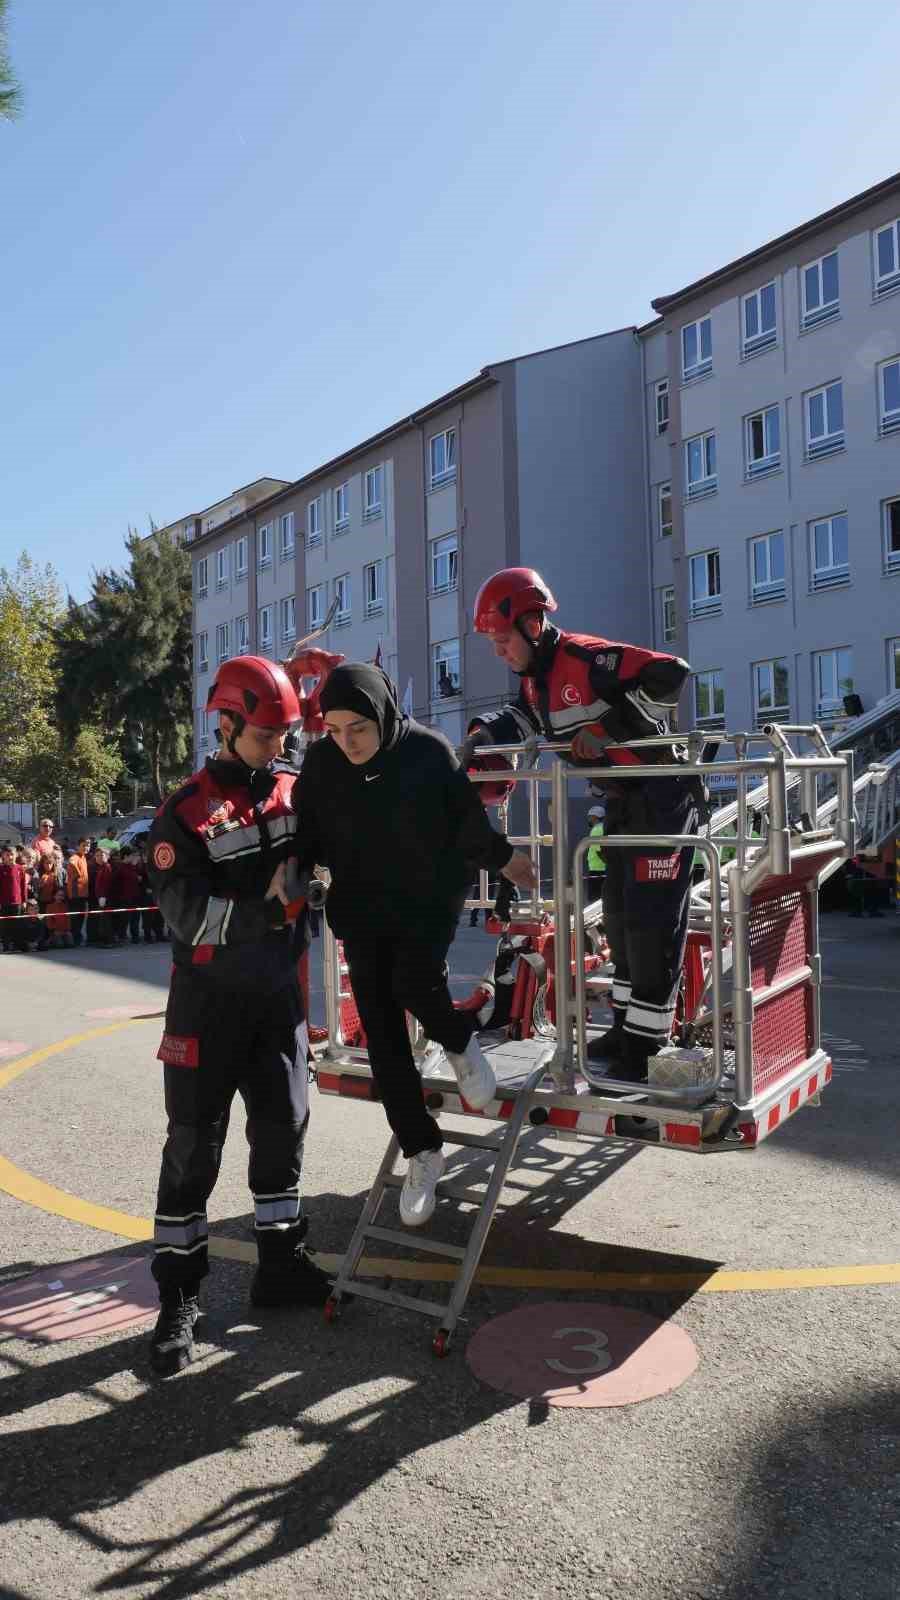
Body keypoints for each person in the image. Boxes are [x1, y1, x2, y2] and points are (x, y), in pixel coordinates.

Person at [291, 663, 536, 1228]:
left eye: (358, 728)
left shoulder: (426, 752)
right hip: (364, 901)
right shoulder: (325, 762)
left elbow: (466, 821)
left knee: (413, 980)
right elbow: (305, 830)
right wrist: (294, 871)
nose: (347, 742)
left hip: (428, 892)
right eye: (335, 729)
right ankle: (422, 1151)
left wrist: (506, 860)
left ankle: (460, 1043)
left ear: (382, 715)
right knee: (381, 1033)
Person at [145, 654, 331, 1378]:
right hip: (207, 1006)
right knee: (194, 1146)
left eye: (283, 734)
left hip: (276, 1001)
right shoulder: (183, 812)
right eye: (262, 735)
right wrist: (275, 907)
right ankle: (179, 1300)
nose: (276, 747)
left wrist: (317, 880)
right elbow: (189, 916)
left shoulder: (293, 789)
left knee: (284, 1129)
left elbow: (318, 858)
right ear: (224, 723)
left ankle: (279, 1266)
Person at [463, 566, 698, 1086]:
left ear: (531, 624)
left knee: (651, 924)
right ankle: (624, 1028)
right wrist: (482, 736)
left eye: (502, 641)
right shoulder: (535, 684)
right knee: (617, 918)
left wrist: (606, 728)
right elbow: (525, 721)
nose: (499, 652)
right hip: (621, 803)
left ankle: (648, 1042)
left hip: (660, 798)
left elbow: (672, 673)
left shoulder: (587, 659)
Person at [0, 844, 28, 952]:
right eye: (8, 855)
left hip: (17, 902)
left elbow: (23, 886)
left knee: (17, 925)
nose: (10, 857)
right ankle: (6, 946)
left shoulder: (20, 868)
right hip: (4, 902)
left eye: (12, 854)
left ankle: (16, 945)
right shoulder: (1, 869)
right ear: (3, 856)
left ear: (16, 855)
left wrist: (24, 901)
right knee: (5, 925)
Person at [65, 839, 90, 947]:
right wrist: (78, 873)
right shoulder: (75, 857)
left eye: (88, 846)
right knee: (76, 919)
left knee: (80, 918)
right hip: (76, 894)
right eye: (84, 845)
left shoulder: (84, 857)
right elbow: (71, 861)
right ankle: (75, 939)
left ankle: (77, 937)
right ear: (78, 846)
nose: (86, 848)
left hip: (83, 894)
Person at [586, 803, 606, 905]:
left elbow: (599, 850)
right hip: (601, 868)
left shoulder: (596, 830)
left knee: (594, 900)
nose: (589, 819)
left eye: (590, 817)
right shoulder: (603, 827)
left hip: (597, 869)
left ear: (595, 817)